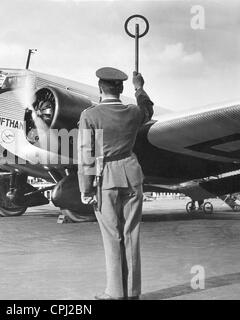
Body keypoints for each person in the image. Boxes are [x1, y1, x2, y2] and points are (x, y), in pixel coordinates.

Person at [77, 67, 154, 300]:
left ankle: (115, 293)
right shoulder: (133, 112)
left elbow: (86, 154)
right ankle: (132, 293)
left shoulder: (90, 116)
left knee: (112, 236)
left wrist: (85, 188)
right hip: (132, 175)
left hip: (105, 179)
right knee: (132, 234)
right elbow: (148, 110)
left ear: (100, 88)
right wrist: (139, 87)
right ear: (121, 89)